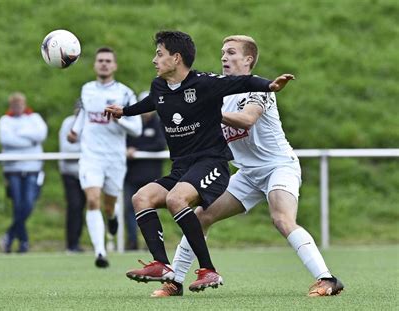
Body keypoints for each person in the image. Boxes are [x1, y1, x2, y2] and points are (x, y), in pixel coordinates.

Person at [151, 35, 343, 297]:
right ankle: (175, 282)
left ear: (248, 60)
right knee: (201, 216)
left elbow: (247, 120)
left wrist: (207, 112)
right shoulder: (219, 93)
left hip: (278, 166)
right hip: (248, 174)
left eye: (231, 53)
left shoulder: (258, 89)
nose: (224, 57)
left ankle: (327, 279)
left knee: (282, 218)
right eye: (222, 53)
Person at [104, 30, 294, 291]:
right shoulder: (159, 86)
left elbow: (241, 83)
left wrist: (270, 85)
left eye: (159, 54)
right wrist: (125, 111)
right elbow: (155, 101)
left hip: (212, 163)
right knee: (141, 198)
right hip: (182, 167)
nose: (153, 60)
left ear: (176, 58)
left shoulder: (204, 83)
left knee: (175, 200)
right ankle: (161, 264)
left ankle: (209, 270)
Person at [68, 47, 142, 267]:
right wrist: (75, 130)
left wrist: (120, 119)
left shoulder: (125, 93)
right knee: (92, 200)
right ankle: (100, 252)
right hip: (91, 156)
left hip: (115, 157)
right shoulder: (87, 89)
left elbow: (136, 129)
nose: (104, 64)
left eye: (108, 61)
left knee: (109, 206)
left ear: (115, 66)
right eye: (100, 60)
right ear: (95, 65)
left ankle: (111, 218)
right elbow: (84, 114)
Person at [0, 92, 48, 253]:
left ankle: (9, 236)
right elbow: (6, 140)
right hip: (13, 170)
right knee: (18, 206)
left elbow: (41, 135)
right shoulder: (5, 120)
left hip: (32, 168)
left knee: (28, 204)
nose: (18, 107)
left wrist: (19, 136)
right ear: (11, 106)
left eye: (20, 104)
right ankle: (23, 243)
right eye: (15, 105)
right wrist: (30, 140)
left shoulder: (34, 118)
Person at [124, 90, 166, 250]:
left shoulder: (160, 123)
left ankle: (153, 243)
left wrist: (137, 149)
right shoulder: (132, 124)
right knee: (129, 209)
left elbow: (160, 144)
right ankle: (132, 242)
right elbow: (124, 142)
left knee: (151, 209)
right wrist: (129, 149)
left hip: (151, 175)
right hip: (132, 175)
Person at [59, 100, 86, 253]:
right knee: (74, 207)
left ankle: (79, 241)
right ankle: (71, 243)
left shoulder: (91, 125)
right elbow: (67, 148)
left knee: (87, 207)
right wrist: (87, 149)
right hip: (70, 172)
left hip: (87, 173)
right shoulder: (68, 123)